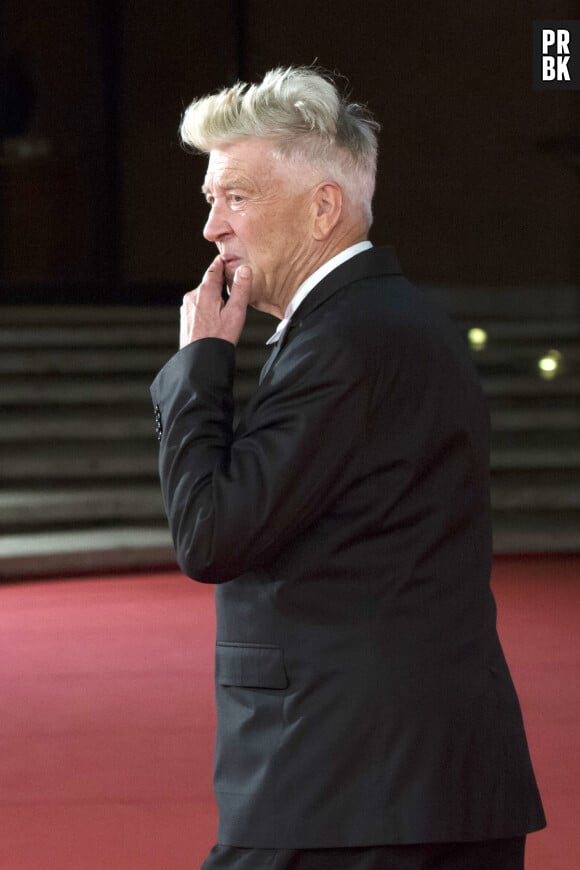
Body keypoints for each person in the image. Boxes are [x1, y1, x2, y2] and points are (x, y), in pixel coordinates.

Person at [150, 66, 545, 870]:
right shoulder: (387, 321)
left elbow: (211, 534)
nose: (212, 229)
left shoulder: (346, 343)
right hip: (396, 788)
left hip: (351, 795)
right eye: (209, 201)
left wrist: (198, 365)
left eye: (236, 198)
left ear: (322, 206)